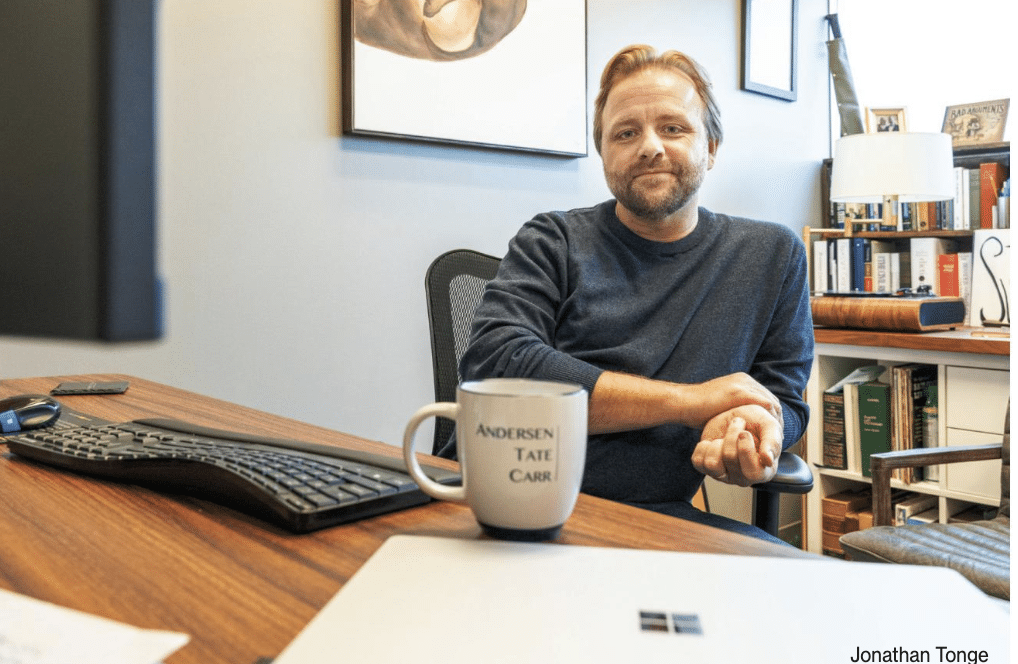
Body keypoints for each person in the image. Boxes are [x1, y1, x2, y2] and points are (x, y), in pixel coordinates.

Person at [452, 44, 814, 542]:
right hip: (503, 503)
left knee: (793, 587)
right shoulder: (553, 240)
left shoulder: (773, 256)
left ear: (710, 149)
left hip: (652, 518)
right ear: (603, 154)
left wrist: (754, 424)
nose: (649, 147)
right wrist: (690, 402)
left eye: (673, 128)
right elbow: (497, 365)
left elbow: (783, 399)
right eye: (626, 132)